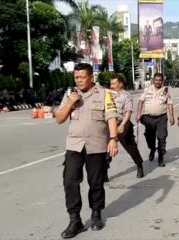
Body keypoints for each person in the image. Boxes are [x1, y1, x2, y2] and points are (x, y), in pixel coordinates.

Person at [56, 63, 118, 239]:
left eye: (82, 77)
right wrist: (69, 103)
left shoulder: (104, 94)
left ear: (91, 77)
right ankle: (75, 219)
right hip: (74, 145)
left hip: (96, 145)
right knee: (69, 181)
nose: (79, 80)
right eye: (76, 77)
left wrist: (113, 139)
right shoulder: (70, 95)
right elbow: (59, 119)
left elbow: (111, 116)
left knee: (96, 181)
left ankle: (96, 213)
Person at [136, 72, 175, 167]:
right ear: (153, 80)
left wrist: (172, 116)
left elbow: (169, 103)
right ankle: (152, 149)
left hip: (161, 118)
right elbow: (141, 101)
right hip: (148, 118)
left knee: (162, 137)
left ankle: (161, 157)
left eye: (160, 80)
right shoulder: (147, 89)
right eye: (156, 80)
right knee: (149, 137)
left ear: (162, 81)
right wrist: (138, 113)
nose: (158, 82)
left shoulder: (165, 90)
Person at [109, 74, 144, 178]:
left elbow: (128, 113)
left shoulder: (126, 96)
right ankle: (104, 171)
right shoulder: (107, 94)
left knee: (130, 147)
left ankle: (139, 164)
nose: (111, 85)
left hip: (123, 123)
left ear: (120, 84)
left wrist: (122, 125)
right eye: (111, 83)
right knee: (105, 148)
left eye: (114, 83)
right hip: (110, 124)